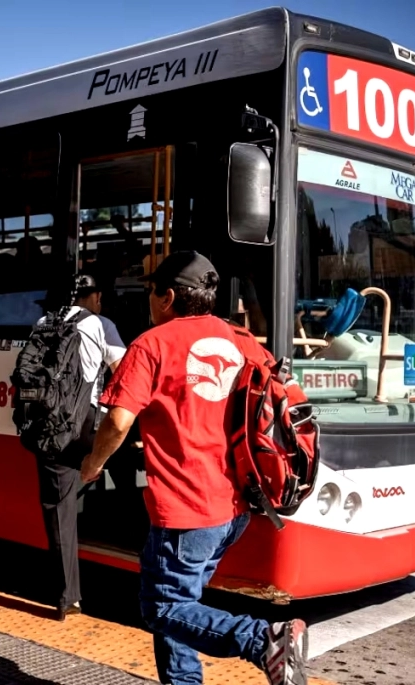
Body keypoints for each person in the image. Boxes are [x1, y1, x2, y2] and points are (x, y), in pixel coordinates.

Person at [80, 251, 311, 685]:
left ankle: (264, 640)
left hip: (185, 509)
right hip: (235, 506)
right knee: (184, 605)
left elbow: (118, 421)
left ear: (167, 297)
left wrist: (93, 464)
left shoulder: (152, 344)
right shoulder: (242, 339)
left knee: (164, 608)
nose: (149, 300)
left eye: (151, 291)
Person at [32, 273, 125, 621]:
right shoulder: (102, 325)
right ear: (95, 296)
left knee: (59, 507)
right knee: (121, 461)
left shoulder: (43, 322)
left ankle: (67, 597)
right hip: (87, 424)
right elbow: (124, 373)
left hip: (49, 423)